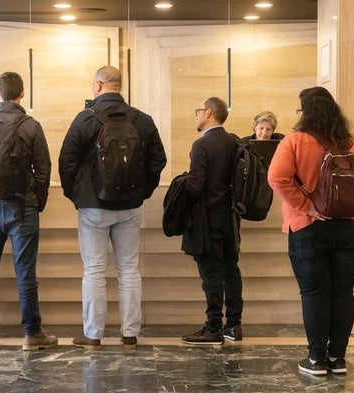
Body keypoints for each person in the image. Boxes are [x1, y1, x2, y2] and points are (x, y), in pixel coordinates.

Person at [267, 86, 354, 376]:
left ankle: (316, 359)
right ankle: (337, 359)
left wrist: (307, 206)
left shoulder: (295, 141)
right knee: (342, 293)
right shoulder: (351, 142)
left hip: (309, 228)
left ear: (307, 112)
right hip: (351, 228)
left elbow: (277, 177)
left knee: (314, 293)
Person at [58, 65, 167, 349]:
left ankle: (93, 335)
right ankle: (130, 333)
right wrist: (143, 192)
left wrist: (77, 195)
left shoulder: (86, 119)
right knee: (129, 270)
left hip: (93, 206)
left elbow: (66, 162)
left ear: (98, 85)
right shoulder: (142, 120)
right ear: (120, 86)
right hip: (130, 206)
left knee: (94, 270)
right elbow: (158, 161)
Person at [0, 71, 56, 351]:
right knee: (25, 272)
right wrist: (36, 201)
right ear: (22, 93)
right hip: (23, 209)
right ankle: (31, 334)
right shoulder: (30, 126)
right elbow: (44, 169)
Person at [180, 97, 243, 345]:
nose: (196, 115)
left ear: (208, 113)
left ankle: (213, 327)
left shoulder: (201, 145)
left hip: (208, 219)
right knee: (231, 270)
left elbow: (196, 187)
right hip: (230, 217)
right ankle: (234, 326)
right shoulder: (234, 142)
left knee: (211, 274)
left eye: (198, 111)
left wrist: (181, 185)